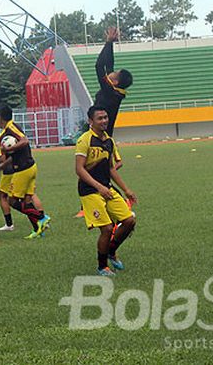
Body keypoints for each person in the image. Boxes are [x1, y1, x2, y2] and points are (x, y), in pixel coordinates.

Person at [75, 106, 137, 276]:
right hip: (89, 191)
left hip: (106, 188)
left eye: (105, 117)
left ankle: (110, 251)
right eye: (100, 118)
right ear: (90, 121)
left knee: (129, 221)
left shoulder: (108, 141)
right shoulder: (85, 140)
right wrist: (99, 187)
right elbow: (79, 169)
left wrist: (126, 190)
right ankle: (102, 266)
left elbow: (111, 169)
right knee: (107, 229)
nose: (104, 121)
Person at [0, 106, 50, 239]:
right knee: (26, 200)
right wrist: (4, 164)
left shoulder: (10, 129)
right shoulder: (14, 127)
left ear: (0, 118)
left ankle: (41, 218)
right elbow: (15, 154)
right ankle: (37, 230)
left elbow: (24, 141)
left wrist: (10, 148)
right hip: (31, 166)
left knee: (12, 200)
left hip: (22, 170)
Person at [93, 26, 133, 137]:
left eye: (114, 73)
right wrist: (110, 44)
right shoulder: (115, 90)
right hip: (102, 134)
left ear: (115, 82)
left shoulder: (110, 92)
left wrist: (108, 42)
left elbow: (99, 66)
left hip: (100, 137)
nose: (111, 72)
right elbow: (109, 64)